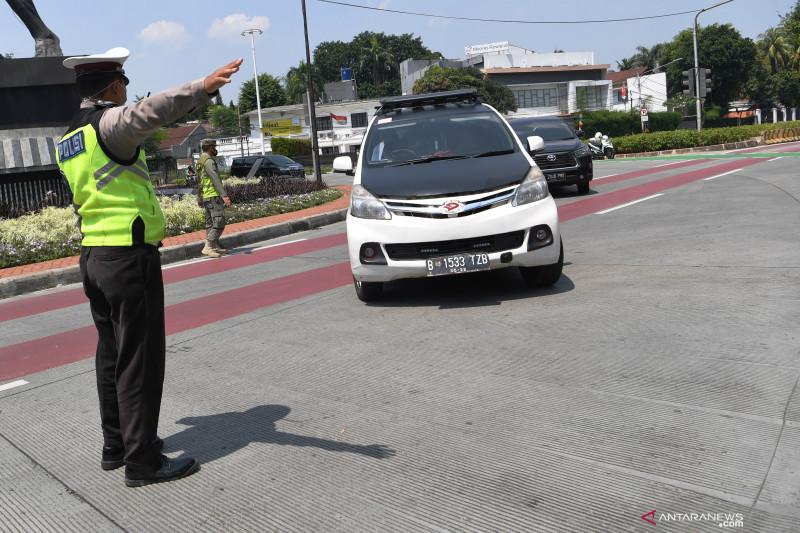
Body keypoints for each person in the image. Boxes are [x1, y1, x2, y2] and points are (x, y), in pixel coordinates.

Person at [56, 47, 242, 487]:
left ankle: (115, 446)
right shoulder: (111, 125)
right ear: (114, 85)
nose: (127, 92)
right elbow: (151, 111)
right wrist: (203, 87)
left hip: (94, 257)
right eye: (124, 84)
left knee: (110, 355)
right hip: (127, 257)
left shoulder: (68, 137)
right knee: (139, 359)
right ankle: (143, 461)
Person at [197, 139, 231, 257]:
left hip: (206, 196)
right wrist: (224, 195)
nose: (215, 149)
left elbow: (199, 181)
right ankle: (209, 246)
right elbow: (215, 178)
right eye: (214, 147)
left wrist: (199, 197)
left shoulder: (201, 160)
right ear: (210, 147)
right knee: (219, 222)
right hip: (213, 195)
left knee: (210, 223)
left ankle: (214, 246)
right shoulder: (209, 161)